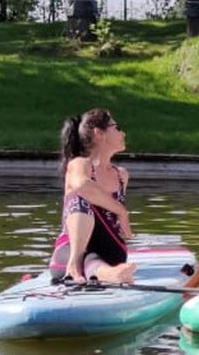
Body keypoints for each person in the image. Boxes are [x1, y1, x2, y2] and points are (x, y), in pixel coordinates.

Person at [53, 109, 136, 284]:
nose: (123, 133)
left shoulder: (121, 175)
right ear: (99, 133)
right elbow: (82, 185)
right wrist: (121, 211)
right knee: (80, 195)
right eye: (117, 128)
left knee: (93, 257)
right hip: (67, 253)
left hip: (111, 250)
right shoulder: (79, 164)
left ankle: (98, 270)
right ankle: (89, 268)